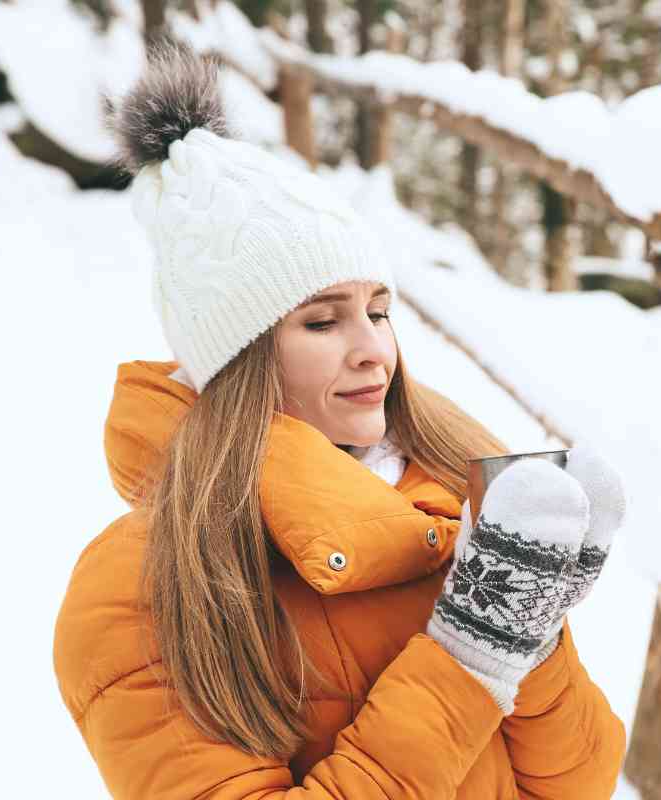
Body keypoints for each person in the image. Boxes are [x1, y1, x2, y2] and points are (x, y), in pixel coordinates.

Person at [53, 43, 628, 799]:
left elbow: (576, 785)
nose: (372, 352)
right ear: (235, 360)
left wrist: (534, 631)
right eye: (322, 324)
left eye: (379, 313)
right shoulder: (140, 587)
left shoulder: (441, 504)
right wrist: (466, 660)